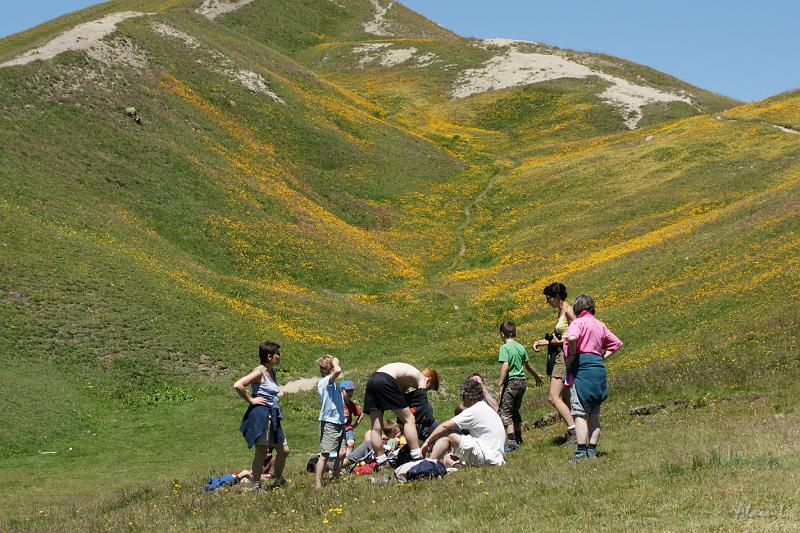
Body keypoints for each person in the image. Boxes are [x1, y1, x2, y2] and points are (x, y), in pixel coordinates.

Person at [564, 294, 623, 462]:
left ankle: (581, 452)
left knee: (580, 413)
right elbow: (617, 343)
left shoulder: (577, 323)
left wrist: (573, 352)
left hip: (581, 368)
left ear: (577, 308)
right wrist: (602, 357)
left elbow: (573, 337)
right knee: (594, 414)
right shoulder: (599, 324)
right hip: (598, 367)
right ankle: (592, 450)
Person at [234, 341, 289, 491]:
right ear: (269, 356)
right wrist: (251, 399)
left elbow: (269, 391)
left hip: (274, 415)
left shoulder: (272, 372)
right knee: (262, 452)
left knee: (284, 450)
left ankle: (277, 480)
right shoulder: (259, 372)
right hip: (262, 416)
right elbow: (238, 385)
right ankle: (255, 485)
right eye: (277, 354)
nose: (279, 356)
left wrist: (280, 393)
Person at [363, 362, 439, 467]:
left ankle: (381, 461)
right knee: (409, 420)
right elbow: (423, 407)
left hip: (372, 380)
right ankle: (417, 457)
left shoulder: (406, 378)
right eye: (429, 388)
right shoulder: (422, 379)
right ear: (429, 380)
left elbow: (401, 397)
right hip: (386, 380)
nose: (427, 390)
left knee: (376, 427)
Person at [421, 379, 505, 467]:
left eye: (463, 397)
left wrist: (427, 441)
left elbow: (445, 426)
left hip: (488, 457)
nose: (462, 401)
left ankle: (427, 466)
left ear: (469, 398)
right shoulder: (485, 408)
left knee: (449, 434)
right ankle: (436, 462)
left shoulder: (474, 409)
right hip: (495, 456)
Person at [532, 282, 577, 443]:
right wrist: (542, 341)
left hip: (564, 357)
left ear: (557, 297)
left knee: (553, 397)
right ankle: (575, 430)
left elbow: (576, 332)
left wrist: (558, 342)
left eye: (549, 298)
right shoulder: (561, 311)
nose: (548, 301)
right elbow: (560, 336)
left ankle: (574, 432)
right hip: (560, 355)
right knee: (565, 398)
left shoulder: (568, 311)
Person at [497, 321, 543, 448]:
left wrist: (500, 384)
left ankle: (511, 442)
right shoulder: (521, 347)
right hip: (522, 383)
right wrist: (536, 376)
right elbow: (528, 365)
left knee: (505, 412)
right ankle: (518, 437)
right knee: (515, 410)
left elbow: (505, 366)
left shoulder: (504, 348)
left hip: (511, 383)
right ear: (515, 333)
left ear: (502, 334)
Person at [315, 355, 346, 488]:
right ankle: (318, 483)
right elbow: (338, 371)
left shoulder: (333, 383)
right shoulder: (325, 381)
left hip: (339, 422)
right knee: (325, 455)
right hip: (329, 423)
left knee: (342, 452)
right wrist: (336, 362)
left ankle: (335, 475)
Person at [341, 380, 363, 454]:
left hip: (347, 428)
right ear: (341, 390)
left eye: (351, 391)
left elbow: (361, 414)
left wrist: (355, 425)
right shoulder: (337, 403)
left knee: (351, 443)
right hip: (337, 428)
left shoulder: (351, 404)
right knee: (339, 447)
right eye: (347, 391)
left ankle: (347, 459)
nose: (350, 393)